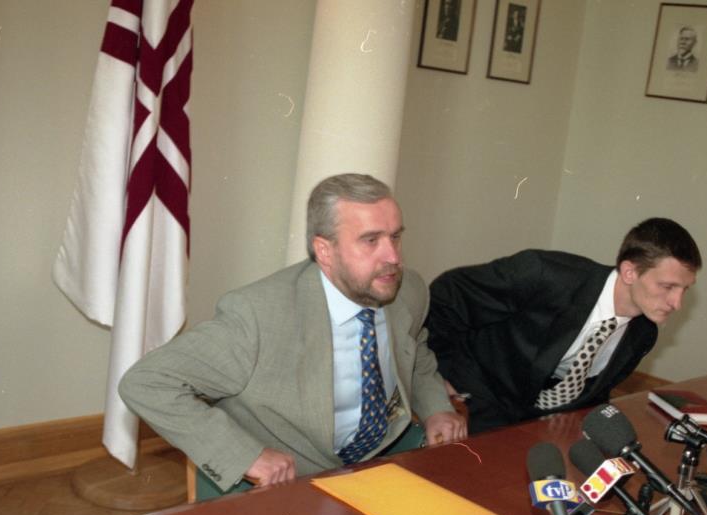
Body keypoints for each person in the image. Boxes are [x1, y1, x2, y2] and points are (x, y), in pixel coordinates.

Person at [120, 173, 466, 496]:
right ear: (324, 251)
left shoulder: (407, 290)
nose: (392, 257)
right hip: (291, 480)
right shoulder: (259, 316)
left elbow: (415, 352)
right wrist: (246, 456)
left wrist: (435, 406)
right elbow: (147, 382)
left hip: (381, 457)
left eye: (395, 237)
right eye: (370, 240)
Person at [426, 218, 701, 434]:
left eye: (684, 289)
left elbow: (594, 393)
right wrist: (437, 374)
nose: (677, 303)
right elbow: (446, 295)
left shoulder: (643, 333)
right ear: (630, 272)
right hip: (479, 395)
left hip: (540, 420)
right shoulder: (543, 274)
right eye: (667, 287)